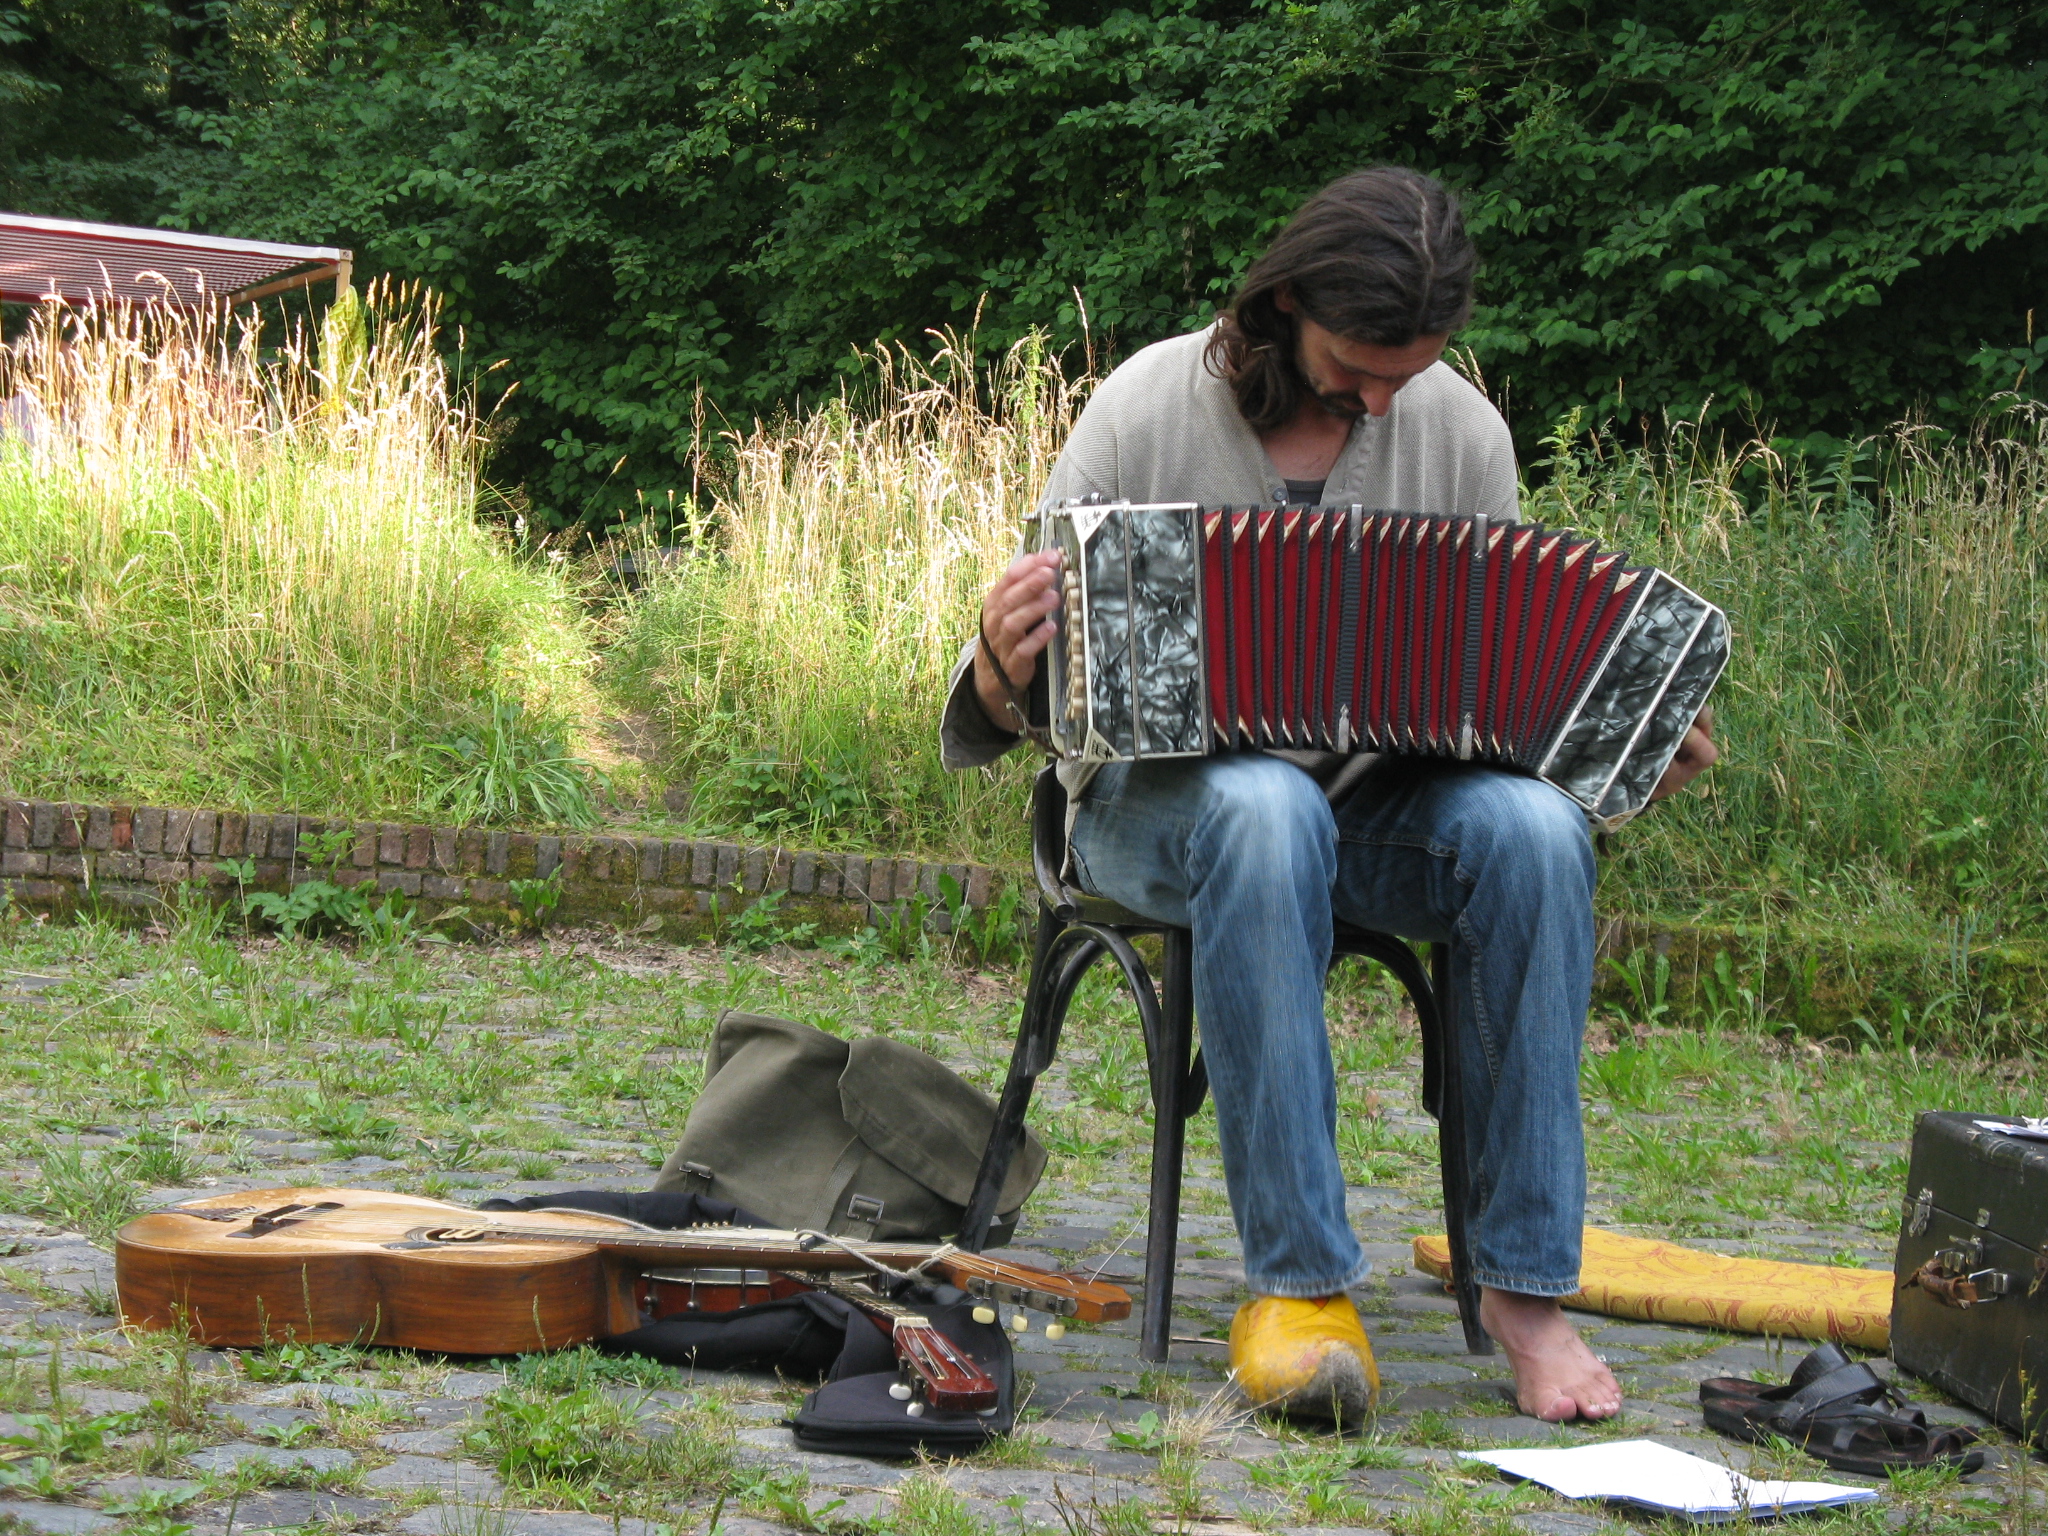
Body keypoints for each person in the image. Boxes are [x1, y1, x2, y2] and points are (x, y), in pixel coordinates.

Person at [940, 166, 1717, 1425]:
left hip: (1371, 812)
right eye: (1357, 365)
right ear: (1284, 301)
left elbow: (1500, 711)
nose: (1377, 399)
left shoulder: (1460, 435)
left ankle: (1523, 1287)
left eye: (1404, 374)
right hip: (1161, 814)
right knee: (1260, 804)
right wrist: (994, 658)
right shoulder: (1143, 407)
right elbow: (1030, 711)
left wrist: (1613, 741)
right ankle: (1295, 1285)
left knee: (1532, 828)